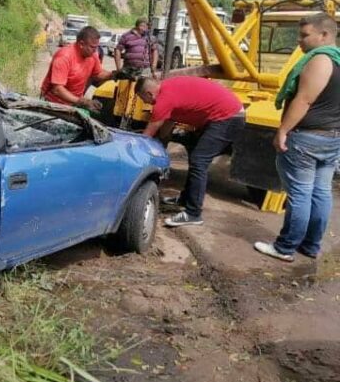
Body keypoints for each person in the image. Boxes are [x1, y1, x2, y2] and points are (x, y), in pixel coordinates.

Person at [254, 13, 340, 262]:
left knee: (300, 193)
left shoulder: (321, 60)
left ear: (324, 35)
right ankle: (310, 246)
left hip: (307, 139)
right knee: (321, 192)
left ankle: (285, 247)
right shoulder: (337, 60)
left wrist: (282, 130)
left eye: (304, 35)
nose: (299, 41)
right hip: (331, 137)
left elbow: (304, 99)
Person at [136, 75, 245, 227]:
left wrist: (137, 150)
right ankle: (185, 199)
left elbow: (147, 135)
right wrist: (161, 144)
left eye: (143, 99)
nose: (146, 103)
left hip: (228, 117)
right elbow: (166, 127)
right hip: (224, 114)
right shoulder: (167, 89)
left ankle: (193, 213)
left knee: (199, 160)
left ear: (149, 93)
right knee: (195, 153)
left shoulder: (164, 99)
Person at [40, 25, 114, 109]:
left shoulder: (92, 55)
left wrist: (113, 75)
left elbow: (98, 73)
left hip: (74, 102)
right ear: (81, 44)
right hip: (53, 103)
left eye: (96, 47)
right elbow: (57, 89)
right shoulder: (64, 57)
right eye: (92, 47)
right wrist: (82, 102)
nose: (95, 50)